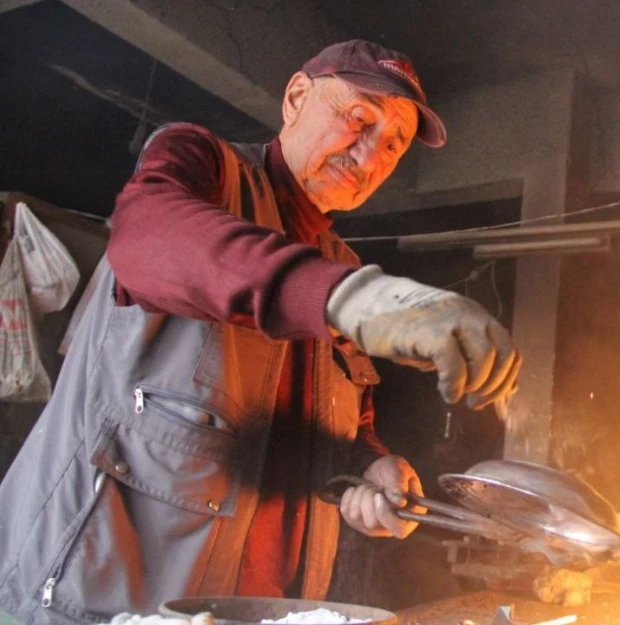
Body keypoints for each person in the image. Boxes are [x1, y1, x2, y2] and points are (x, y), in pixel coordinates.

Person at [0, 40, 520, 624]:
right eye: (358, 119)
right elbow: (146, 237)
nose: (371, 154)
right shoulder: (205, 166)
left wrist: (367, 463)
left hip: (263, 607)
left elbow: (330, 419)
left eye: (393, 144)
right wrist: (349, 298)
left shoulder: (340, 263)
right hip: (102, 600)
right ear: (297, 97)